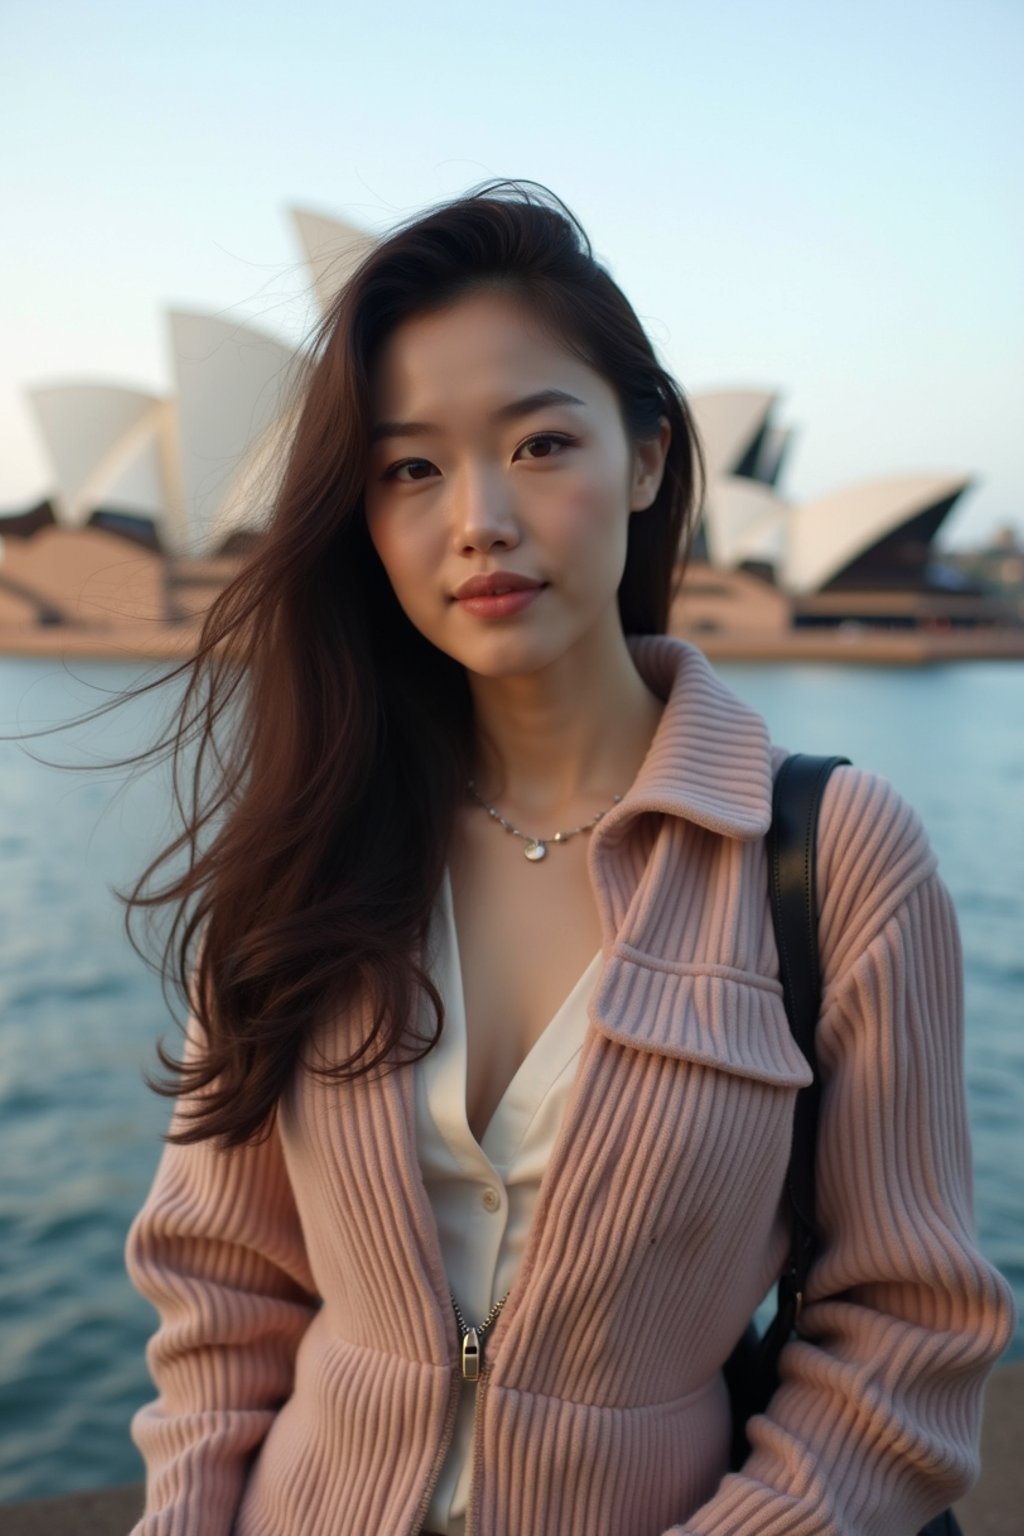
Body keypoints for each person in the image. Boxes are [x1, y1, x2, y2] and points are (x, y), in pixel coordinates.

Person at [122, 179, 1015, 1536]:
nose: (477, 517)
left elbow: (907, 1327)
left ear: (648, 456)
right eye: (410, 468)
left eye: (540, 444)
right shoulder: (303, 848)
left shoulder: (830, 859)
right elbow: (219, 1292)